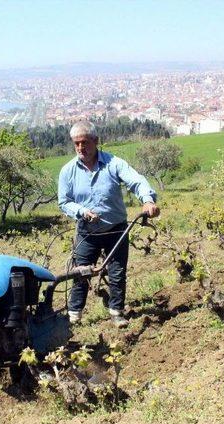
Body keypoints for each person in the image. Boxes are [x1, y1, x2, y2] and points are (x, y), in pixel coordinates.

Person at [57, 120, 160, 328]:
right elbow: (63, 202)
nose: (80, 148)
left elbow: (136, 180)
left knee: (117, 272)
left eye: (84, 142)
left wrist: (147, 200)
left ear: (96, 141)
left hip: (116, 230)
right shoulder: (68, 171)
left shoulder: (114, 164)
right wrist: (82, 212)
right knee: (80, 274)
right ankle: (74, 317)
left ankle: (116, 312)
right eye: (76, 143)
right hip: (87, 233)